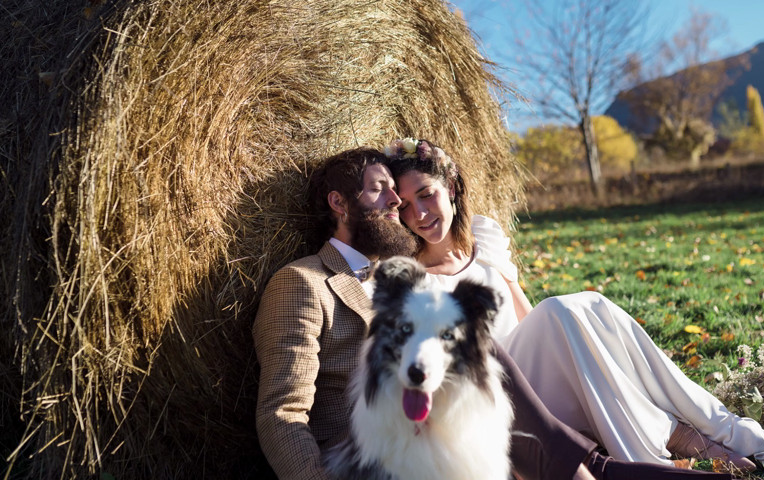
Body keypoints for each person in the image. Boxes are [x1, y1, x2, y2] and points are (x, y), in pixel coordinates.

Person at [253, 146, 735, 479]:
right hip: (371, 458)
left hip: (445, 431)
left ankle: (619, 461)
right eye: (381, 190)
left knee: (498, 347)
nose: (399, 202)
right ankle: (610, 464)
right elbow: (283, 413)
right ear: (340, 203)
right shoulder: (304, 283)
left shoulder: (398, 280)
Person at [384, 137, 764, 475]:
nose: (420, 213)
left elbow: (528, 315)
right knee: (563, 310)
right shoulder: (413, 277)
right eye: (405, 206)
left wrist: (578, 353)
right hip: (500, 397)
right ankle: (672, 440)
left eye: (426, 193)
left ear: (453, 188)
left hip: (543, 379)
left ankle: (698, 428)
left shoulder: (483, 239)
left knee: (578, 308)